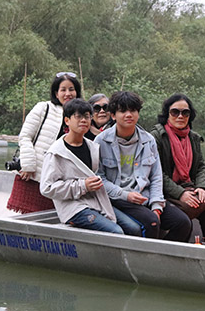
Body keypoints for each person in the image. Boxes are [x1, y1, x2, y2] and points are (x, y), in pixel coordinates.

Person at [95, 91, 192, 242]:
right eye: (123, 111)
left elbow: (156, 176)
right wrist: (125, 195)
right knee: (151, 223)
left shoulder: (148, 140)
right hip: (117, 199)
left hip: (144, 197)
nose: (129, 115)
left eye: (133, 110)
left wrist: (156, 205)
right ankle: (149, 261)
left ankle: (164, 258)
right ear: (113, 115)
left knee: (183, 223)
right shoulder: (101, 141)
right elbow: (99, 179)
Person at [39, 99, 141, 235]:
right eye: (78, 116)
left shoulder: (92, 146)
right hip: (73, 207)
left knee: (134, 228)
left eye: (87, 116)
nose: (83, 120)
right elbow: (47, 188)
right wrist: (82, 186)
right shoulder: (56, 153)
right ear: (67, 120)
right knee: (115, 231)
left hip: (97, 201)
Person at [7, 71, 81, 213]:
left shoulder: (81, 115)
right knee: (26, 219)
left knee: (51, 221)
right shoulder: (43, 108)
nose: (68, 94)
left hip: (59, 181)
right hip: (33, 176)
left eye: (71, 89)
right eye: (63, 89)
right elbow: (25, 136)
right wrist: (28, 166)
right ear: (56, 92)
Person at [150, 94, 205, 244]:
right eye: (175, 112)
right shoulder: (156, 137)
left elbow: (201, 166)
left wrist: (202, 187)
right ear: (167, 114)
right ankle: (171, 254)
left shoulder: (193, 137)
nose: (180, 116)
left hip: (189, 187)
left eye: (185, 113)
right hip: (164, 193)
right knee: (183, 221)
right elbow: (156, 173)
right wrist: (180, 193)